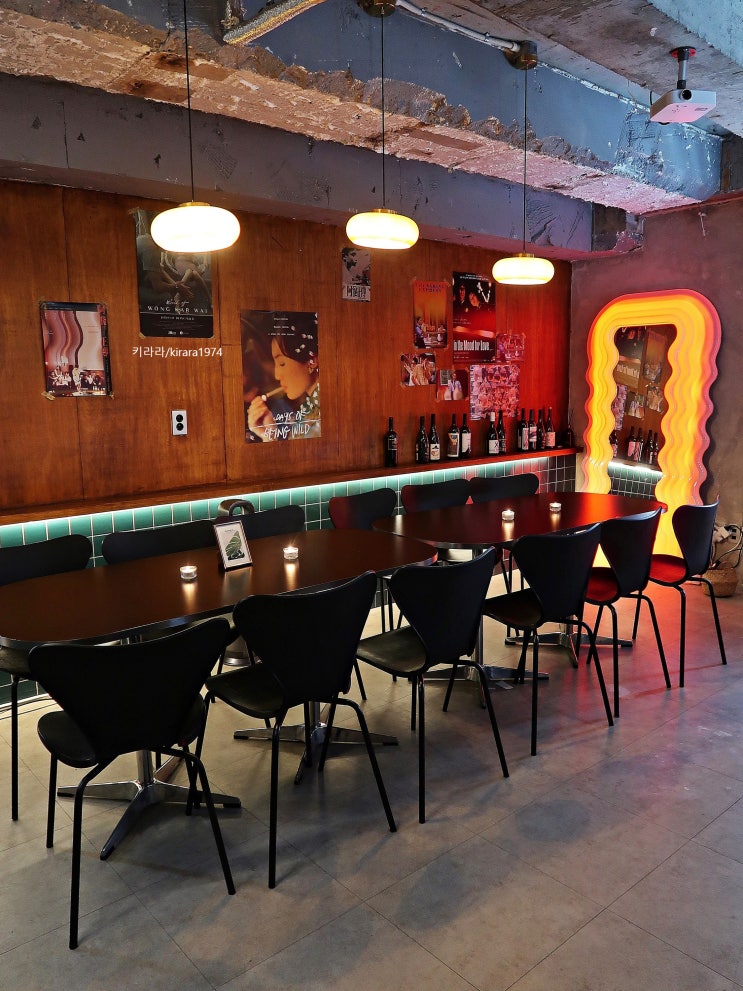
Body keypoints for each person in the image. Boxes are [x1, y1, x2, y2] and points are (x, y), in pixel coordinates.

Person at [247, 322, 320, 442]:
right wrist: (269, 435)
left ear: (312, 361)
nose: (276, 375)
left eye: (282, 363)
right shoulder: (308, 411)